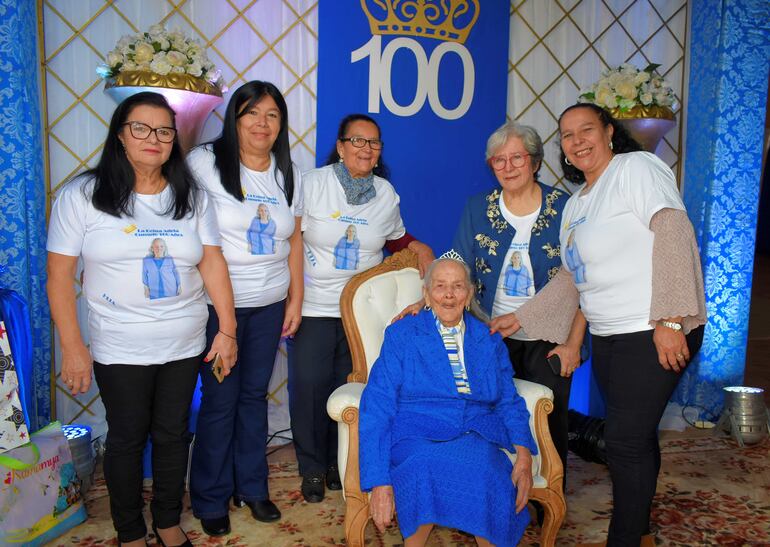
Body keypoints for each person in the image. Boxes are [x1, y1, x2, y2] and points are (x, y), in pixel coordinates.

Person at [502, 103, 707, 547]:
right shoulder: (575, 205)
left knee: (624, 441)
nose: (577, 141)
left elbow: (672, 228)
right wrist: (521, 318)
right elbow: (572, 278)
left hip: (653, 328)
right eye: (567, 135)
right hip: (610, 334)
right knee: (634, 437)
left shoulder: (636, 169)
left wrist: (671, 318)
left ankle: (625, 539)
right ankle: (644, 532)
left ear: (609, 132)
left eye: (586, 130)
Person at [47, 92, 237, 547]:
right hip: (119, 344)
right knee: (128, 438)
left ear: (174, 139)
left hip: (185, 342)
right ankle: (130, 530)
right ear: (120, 135)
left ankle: (168, 521)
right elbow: (58, 276)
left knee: (174, 435)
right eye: (141, 128)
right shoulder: (83, 195)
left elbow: (212, 264)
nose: (154, 138)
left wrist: (227, 330)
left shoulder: (191, 197)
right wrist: (74, 347)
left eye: (164, 131)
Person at [397, 121, 585, 482]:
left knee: (550, 414)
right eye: (499, 160)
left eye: (517, 158)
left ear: (534, 161)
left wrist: (574, 342)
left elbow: (581, 279)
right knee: (493, 410)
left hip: (550, 333)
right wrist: (425, 300)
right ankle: (497, 485)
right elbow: (457, 261)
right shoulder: (478, 208)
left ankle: (549, 493)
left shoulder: (566, 207)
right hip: (490, 329)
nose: (509, 167)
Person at [289, 113, 435, 503]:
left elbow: (398, 238)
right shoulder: (312, 183)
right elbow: (291, 241)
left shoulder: (386, 193)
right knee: (309, 386)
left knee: (351, 386)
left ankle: (342, 463)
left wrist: (419, 248)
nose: (365, 149)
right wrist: (294, 298)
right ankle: (312, 468)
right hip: (315, 305)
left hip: (362, 312)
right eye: (357, 141)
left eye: (373, 143)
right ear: (339, 146)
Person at [186, 81, 303, 537]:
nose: (262, 123)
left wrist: (295, 298)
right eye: (252, 113)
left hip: (270, 303)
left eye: (272, 115)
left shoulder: (287, 172)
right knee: (220, 399)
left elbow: (293, 238)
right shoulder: (206, 163)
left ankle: (252, 488)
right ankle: (211, 495)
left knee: (254, 398)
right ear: (235, 119)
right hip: (220, 309)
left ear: (281, 124)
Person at [359, 258, 537, 547]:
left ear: (468, 294)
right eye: (440, 286)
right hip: (416, 431)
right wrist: (378, 480)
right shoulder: (402, 335)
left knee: (486, 471)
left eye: (457, 287)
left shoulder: (488, 340)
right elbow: (377, 404)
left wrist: (525, 455)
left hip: (474, 432)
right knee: (421, 466)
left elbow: (508, 400)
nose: (449, 294)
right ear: (427, 294)